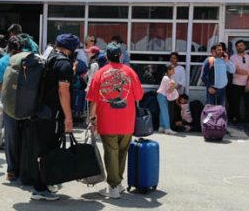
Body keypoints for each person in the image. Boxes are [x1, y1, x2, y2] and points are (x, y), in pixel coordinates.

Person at [88, 42, 144, 199]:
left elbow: (93, 99)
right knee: (122, 152)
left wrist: (92, 119)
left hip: (107, 119)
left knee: (111, 152)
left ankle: (112, 186)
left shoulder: (100, 73)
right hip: (127, 119)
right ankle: (118, 183)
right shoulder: (130, 72)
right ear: (120, 56)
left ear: (106, 57)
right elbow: (139, 96)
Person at [29, 34, 77, 201]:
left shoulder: (48, 57)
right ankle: (40, 188)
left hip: (40, 110)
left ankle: (43, 184)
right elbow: (63, 92)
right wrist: (68, 118)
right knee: (49, 149)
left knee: (42, 148)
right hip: (52, 114)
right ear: (71, 49)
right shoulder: (64, 64)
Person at [0, 36, 23, 181]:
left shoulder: (2, 62)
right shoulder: (27, 59)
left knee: (11, 137)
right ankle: (25, 168)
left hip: (9, 104)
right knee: (25, 136)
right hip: (28, 104)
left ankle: (12, 171)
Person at [228, 40, 249, 124]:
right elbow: (237, 70)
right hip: (236, 83)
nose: (240, 47)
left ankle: (248, 121)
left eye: (241, 45)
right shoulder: (233, 57)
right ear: (236, 47)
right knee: (235, 103)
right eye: (238, 46)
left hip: (247, 83)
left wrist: (248, 83)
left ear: (245, 47)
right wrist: (248, 72)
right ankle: (236, 120)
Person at [156, 65, 179, 135]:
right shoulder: (166, 78)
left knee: (162, 112)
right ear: (168, 70)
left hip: (162, 96)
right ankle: (167, 128)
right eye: (172, 69)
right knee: (165, 112)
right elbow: (169, 90)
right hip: (162, 96)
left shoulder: (168, 78)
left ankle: (161, 127)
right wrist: (173, 85)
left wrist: (173, 85)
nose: (174, 71)